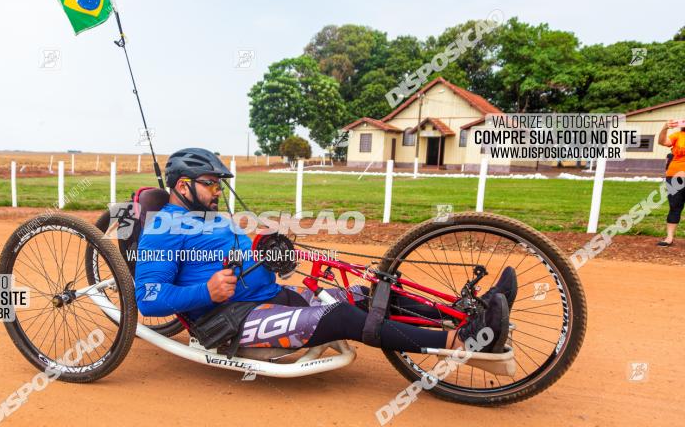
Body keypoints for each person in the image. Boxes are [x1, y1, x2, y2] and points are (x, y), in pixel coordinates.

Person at [133, 148, 517, 365]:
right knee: (343, 317)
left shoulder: (211, 220)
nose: (218, 191)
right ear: (183, 185)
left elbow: (234, 253)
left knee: (370, 293)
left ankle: (472, 312)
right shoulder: (161, 231)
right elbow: (147, 298)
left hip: (272, 300)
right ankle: (461, 341)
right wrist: (208, 291)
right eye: (211, 185)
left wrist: (264, 248)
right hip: (230, 321)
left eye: (218, 185)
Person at [656, 120, 685, 247]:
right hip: (675, 176)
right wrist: (665, 128)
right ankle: (669, 238)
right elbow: (662, 142)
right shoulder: (678, 136)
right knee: (675, 206)